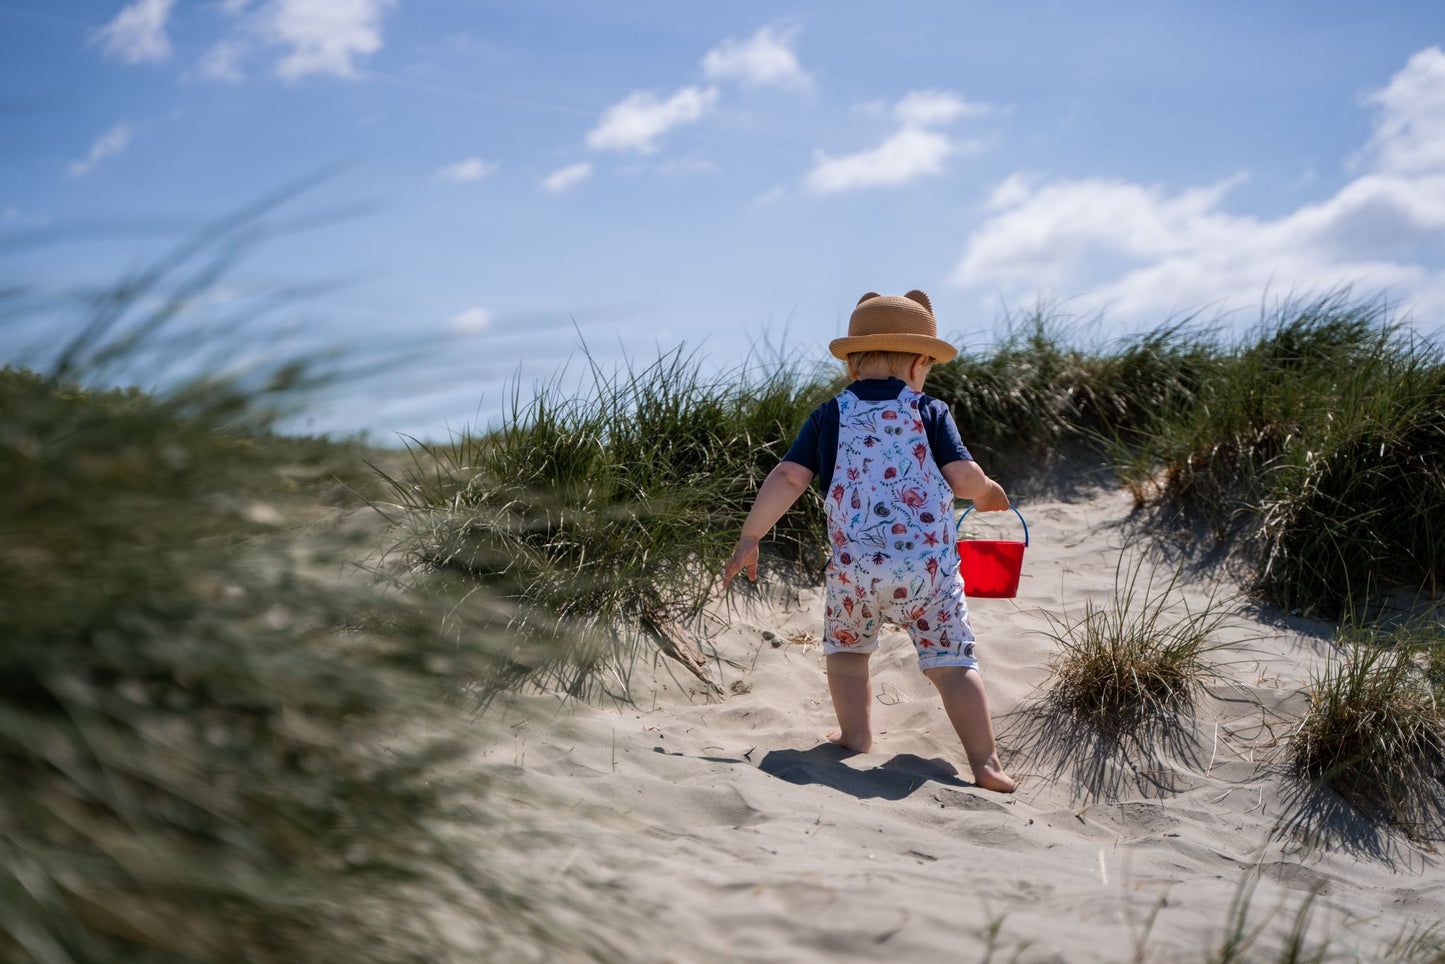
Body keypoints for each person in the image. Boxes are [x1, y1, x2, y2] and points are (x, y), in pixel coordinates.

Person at [723, 290, 1016, 793]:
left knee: (847, 652)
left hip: (856, 571)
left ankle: (856, 736)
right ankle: (985, 763)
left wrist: (751, 536)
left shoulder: (829, 414)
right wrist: (990, 495)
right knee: (952, 664)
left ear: (852, 366)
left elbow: (789, 477)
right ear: (920, 363)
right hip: (928, 573)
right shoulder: (929, 410)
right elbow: (965, 479)